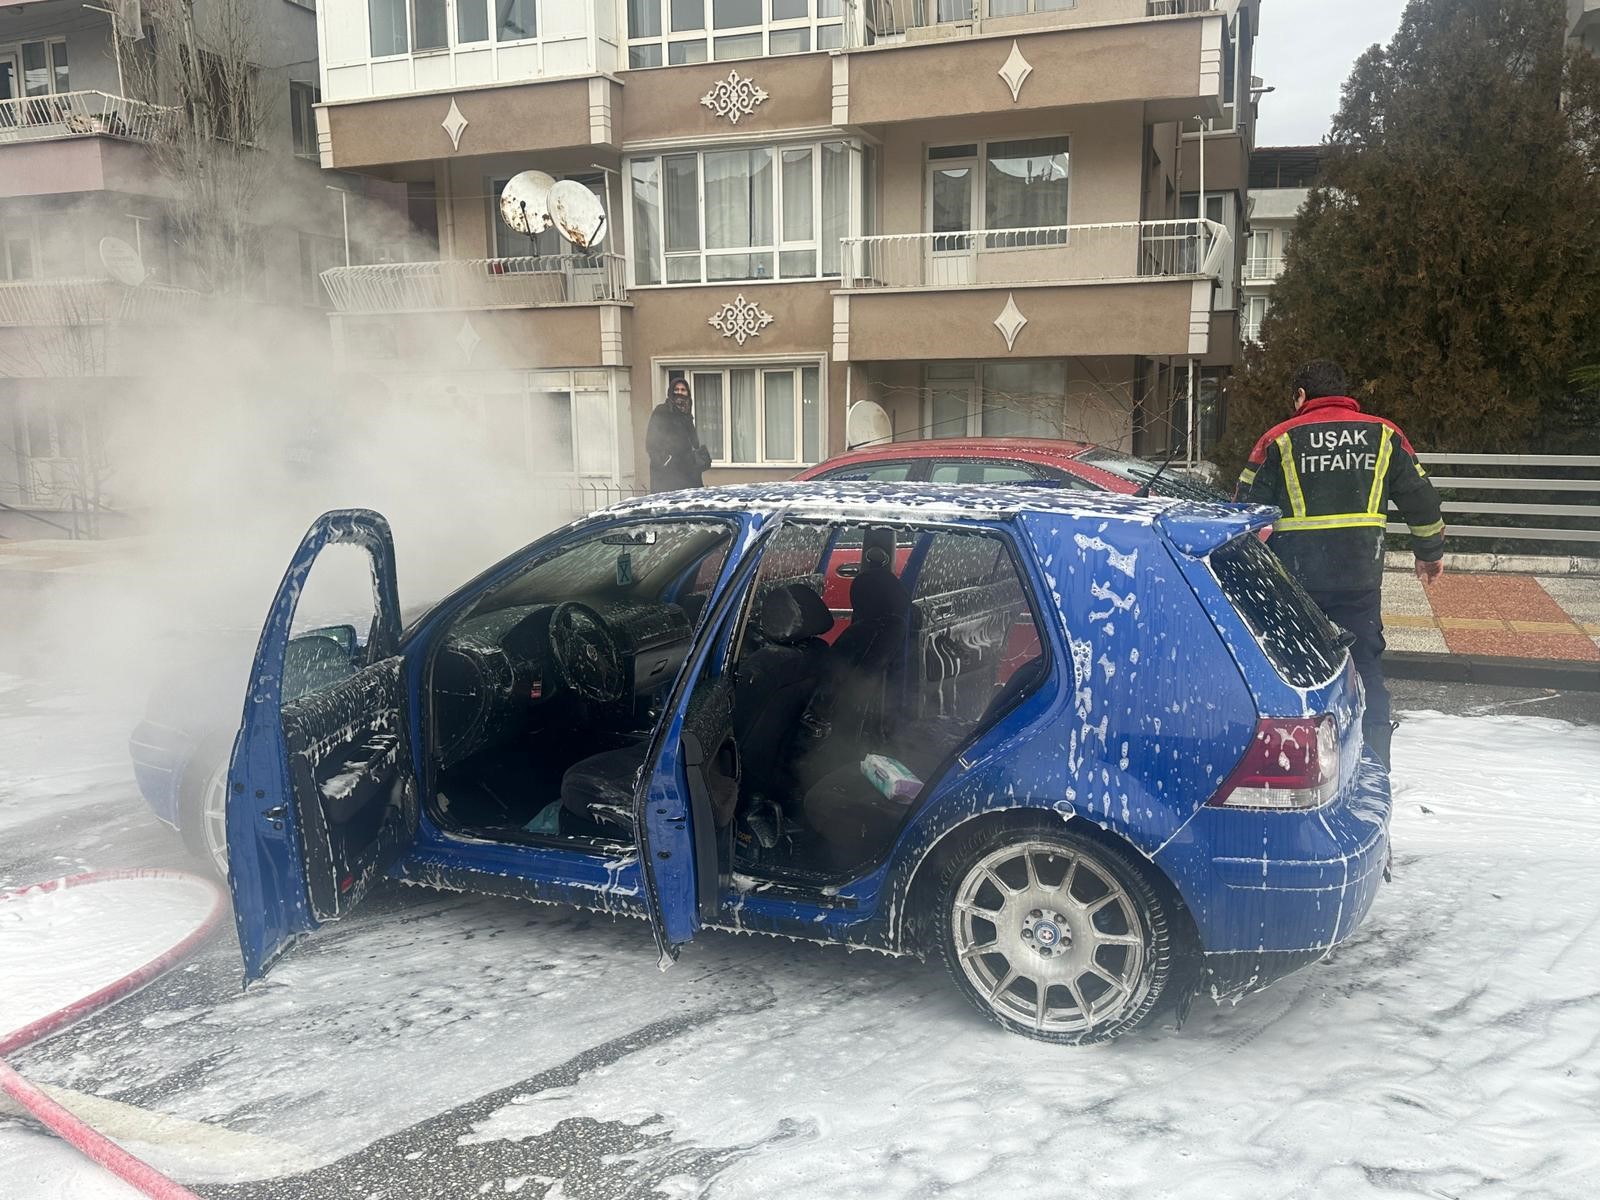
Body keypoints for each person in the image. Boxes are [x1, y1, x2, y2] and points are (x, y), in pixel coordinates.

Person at [1235, 359, 1445, 768]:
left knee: (1296, 668)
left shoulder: (1278, 439)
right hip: (1359, 577)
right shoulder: (1385, 435)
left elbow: (1246, 511)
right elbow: (1421, 499)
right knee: (1365, 664)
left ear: (1301, 395)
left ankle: (1303, 764)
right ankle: (1375, 763)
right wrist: (1429, 553)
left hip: (1295, 581)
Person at [646, 377, 712, 493]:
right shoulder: (662, 411)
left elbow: (693, 442)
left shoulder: (687, 414)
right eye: (676, 390)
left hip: (690, 475)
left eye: (683, 390)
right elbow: (651, 443)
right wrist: (666, 461)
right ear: (671, 392)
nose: (679, 393)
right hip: (669, 478)